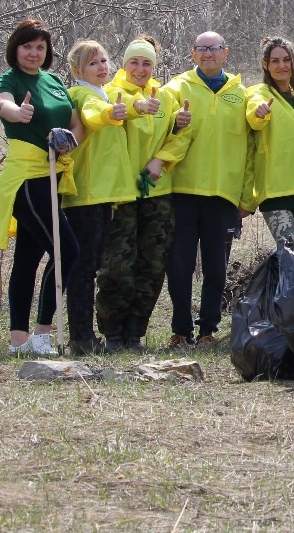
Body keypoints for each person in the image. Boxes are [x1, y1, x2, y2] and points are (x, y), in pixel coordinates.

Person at [147, 31, 254, 347]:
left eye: (214, 48)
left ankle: (208, 330)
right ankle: (181, 330)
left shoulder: (242, 95)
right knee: (179, 265)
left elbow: (251, 148)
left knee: (216, 268)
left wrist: (247, 195)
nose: (208, 54)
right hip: (182, 190)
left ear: (226, 53)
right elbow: (152, 123)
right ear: (192, 55)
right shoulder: (177, 88)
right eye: (201, 49)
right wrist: (174, 122)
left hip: (223, 195)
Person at [0, 18, 83, 357]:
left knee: (28, 258)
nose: (33, 52)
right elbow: (3, 104)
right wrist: (19, 111)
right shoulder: (9, 80)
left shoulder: (54, 81)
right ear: (15, 48)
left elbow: (74, 123)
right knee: (68, 251)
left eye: (40, 47)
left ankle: (18, 341)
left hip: (53, 174)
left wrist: (69, 142)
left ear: (47, 51)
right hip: (27, 179)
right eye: (27, 46)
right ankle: (42, 333)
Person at [98, 35, 187, 351]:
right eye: (134, 62)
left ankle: (135, 334)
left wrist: (159, 161)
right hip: (120, 195)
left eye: (146, 62)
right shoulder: (110, 94)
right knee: (117, 266)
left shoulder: (166, 98)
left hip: (157, 194)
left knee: (151, 265)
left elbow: (182, 137)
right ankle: (111, 334)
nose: (140, 68)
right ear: (124, 65)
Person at [62, 40, 136, 354]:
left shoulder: (104, 93)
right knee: (83, 267)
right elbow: (93, 116)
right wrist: (111, 113)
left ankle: (85, 334)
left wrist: (139, 107)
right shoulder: (81, 95)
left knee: (90, 265)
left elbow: (118, 107)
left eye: (104, 60)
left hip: (103, 194)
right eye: (93, 63)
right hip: (87, 194)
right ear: (78, 70)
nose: (102, 67)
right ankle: (80, 336)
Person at [245, 36, 294, 245]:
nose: (281, 65)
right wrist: (259, 112)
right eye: (275, 61)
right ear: (265, 65)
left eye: (286, 59)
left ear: (293, 62)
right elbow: (254, 115)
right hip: (276, 193)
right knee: (291, 253)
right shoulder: (259, 93)